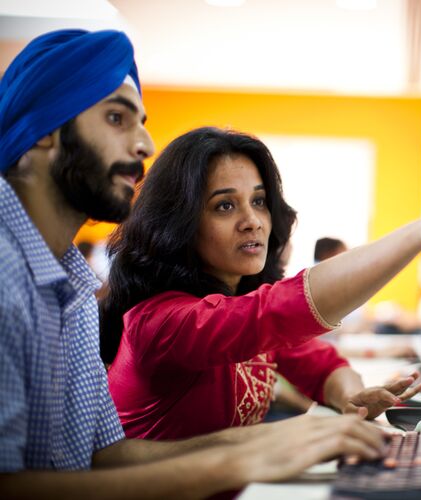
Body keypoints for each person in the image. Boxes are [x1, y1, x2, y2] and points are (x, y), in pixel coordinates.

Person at [0, 29, 387, 498]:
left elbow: (102, 456)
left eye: (259, 202)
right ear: (44, 130)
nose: (144, 144)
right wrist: (242, 455)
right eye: (117, 118)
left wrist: (263, 442)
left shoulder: (70, 286)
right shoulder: (9, 277)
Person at [101, 127, 421, 442]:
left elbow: (320, 365)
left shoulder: (236, 300)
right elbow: (281, 310)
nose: (253, 220)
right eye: (225, 205)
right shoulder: (159, 322)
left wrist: (351, 395)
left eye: (259, 201)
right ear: (180, 224)